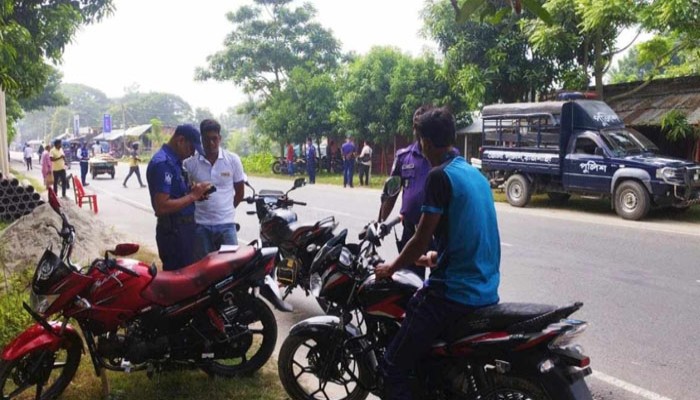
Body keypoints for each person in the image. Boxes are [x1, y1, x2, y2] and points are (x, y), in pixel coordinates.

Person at [375, 106, 501, 400]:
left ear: (426, 143)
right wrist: (434, 258)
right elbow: (467, 234)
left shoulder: (438, 176)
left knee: (391, 367)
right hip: (486, 289)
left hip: (452, 294)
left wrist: (390, 268)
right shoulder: (475, 175)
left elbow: (420, 238)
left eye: (420, 139)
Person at [378, 105, 435, 279]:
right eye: (416, 123)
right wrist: (380, 221)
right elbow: (392, 192)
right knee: (409, 281)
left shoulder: (444, 156)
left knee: (439, 284)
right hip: (411, 231)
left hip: (437, 232)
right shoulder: (404, 156)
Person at [146, 124, 211, 271]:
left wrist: (194, 194)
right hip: (174, 233)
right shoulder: (163, 163)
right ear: (180, 140)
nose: (191, 153)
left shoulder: (174, 162)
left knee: (189, 275)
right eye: (191, 148)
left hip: (184, 230)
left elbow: (177, 195)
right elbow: (161, 207)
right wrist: (193, 196)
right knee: (179, 280)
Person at [184, 119, 246, 261]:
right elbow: (187, 192)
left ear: (220, 138)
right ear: (201, 140)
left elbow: (240, 192)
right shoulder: (190, 164)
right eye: (207, 139)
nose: (211, 143)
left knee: (231, 268)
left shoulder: (233, 160)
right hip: (200, 226)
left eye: (214, 139)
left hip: (226, 225)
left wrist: (226, 210)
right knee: (203, 270)